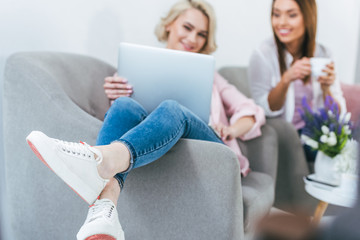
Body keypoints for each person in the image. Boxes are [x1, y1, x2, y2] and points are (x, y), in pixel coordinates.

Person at [26, 0, 265, 239]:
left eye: (201, 34)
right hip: (158, 146)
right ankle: (104, 210)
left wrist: (231, 129)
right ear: (170, 24)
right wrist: (115, 95)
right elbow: (125, 122)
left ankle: (100, 162)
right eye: (188, 27)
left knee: (172, 107)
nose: (194, 38)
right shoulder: (137, 67)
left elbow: (251, 110)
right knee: (123, 105)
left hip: (208, 146)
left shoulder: (211, 76)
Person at [248, 0, 346, 165]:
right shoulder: (262, 54)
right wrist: (286, 79)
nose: (281, 22)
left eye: (291, 15)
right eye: (276, 14)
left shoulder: (324, 53)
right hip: (288, 136)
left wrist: (326, 88)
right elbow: (263, 108)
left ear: (308, 17)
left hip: (318, 132)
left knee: (350, 149)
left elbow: (337, 115)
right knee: (337, 158)